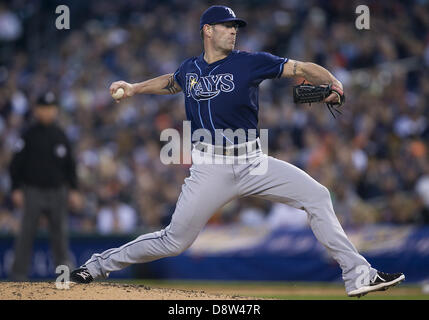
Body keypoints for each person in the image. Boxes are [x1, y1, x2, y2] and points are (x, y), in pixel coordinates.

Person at [70, 5, 404, 297]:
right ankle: (96, 266)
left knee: (317, 195)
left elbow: (301, 67)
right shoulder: (190, 69)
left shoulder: (250, 62)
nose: (233, 32)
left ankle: (358, 274)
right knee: (174, 241)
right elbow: (171, 82)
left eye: (236, 27)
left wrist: (333, 81)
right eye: (228, 26)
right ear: (208, 30)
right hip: (210, 168)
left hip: (253, 161)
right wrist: (134, 88)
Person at [9, 92, 81, 281]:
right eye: (44, 108)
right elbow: (16, 164)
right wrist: (16, 188)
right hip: (33, 191)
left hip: (58, 191)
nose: (48, 112)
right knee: (26, 234)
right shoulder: (28, 135)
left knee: (60, 236)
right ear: (37, 110)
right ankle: (18, 277)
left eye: (51, 108)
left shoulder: (60, 135)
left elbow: (70, 166)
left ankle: (64, 278)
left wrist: (73, 189)